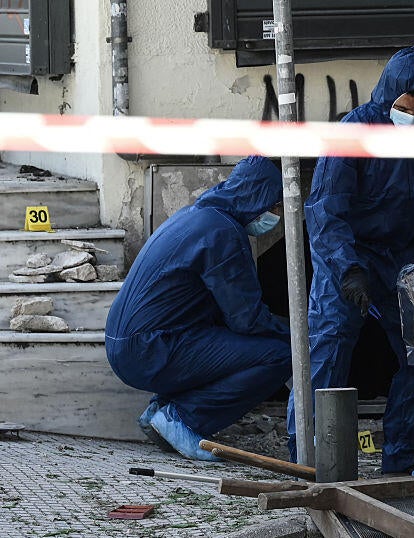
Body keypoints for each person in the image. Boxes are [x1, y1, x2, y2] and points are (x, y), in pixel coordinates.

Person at [293, 46, 414, 475]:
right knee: (330, 344)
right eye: (402, 107)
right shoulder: (354, 131)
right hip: (349, 251)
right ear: (386, 99)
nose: (411, 115)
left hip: (408, 252)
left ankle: (407, 454)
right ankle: (309, 455)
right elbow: (325, 210)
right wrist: (348, 269)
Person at [105, 156, 292, 461]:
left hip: (126, 345)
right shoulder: (223, 233)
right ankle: (184, 416)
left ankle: (160, 410)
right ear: (257, 198)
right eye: (276, 206)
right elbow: (246, 318)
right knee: (281, 354)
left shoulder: (194, 216)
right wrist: (293, 334)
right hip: (149, 350)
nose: (277, 215)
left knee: (216, 337)